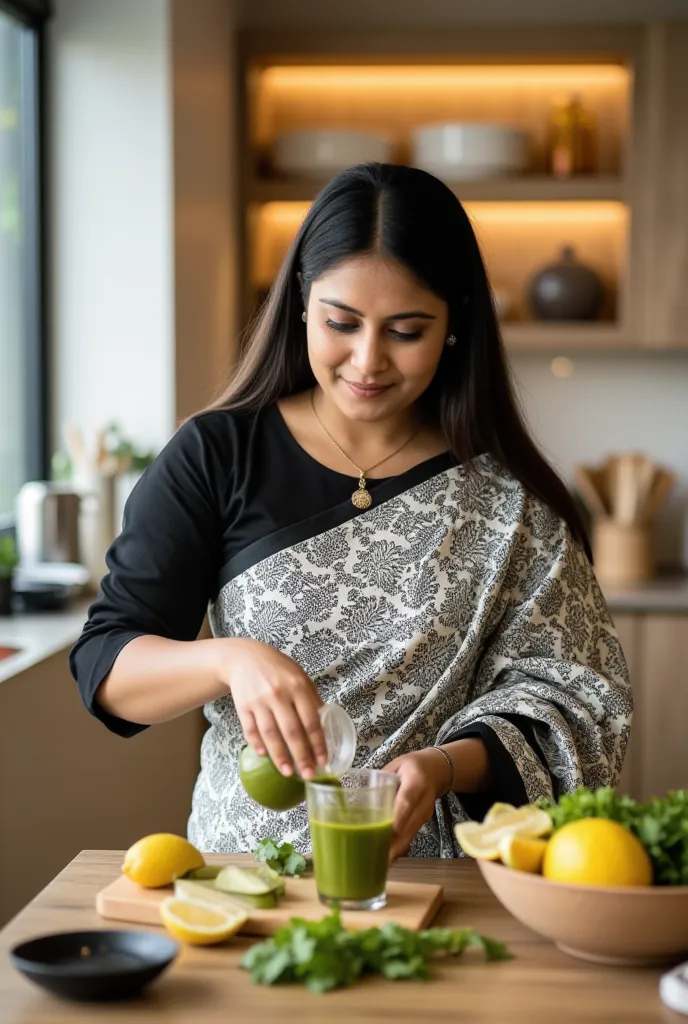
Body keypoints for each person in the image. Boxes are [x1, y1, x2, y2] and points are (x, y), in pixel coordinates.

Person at [70, 162, 632, 862]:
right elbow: (107, 665)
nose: (368, 361)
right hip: (247, 876)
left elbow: (575, 704)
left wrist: (445, 765)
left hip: (442, 880)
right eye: (342, 322)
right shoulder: (218, 453)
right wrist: (231, 660)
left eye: (406, 330)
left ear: (455, 323)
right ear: (303, 301)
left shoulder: (508, 497)